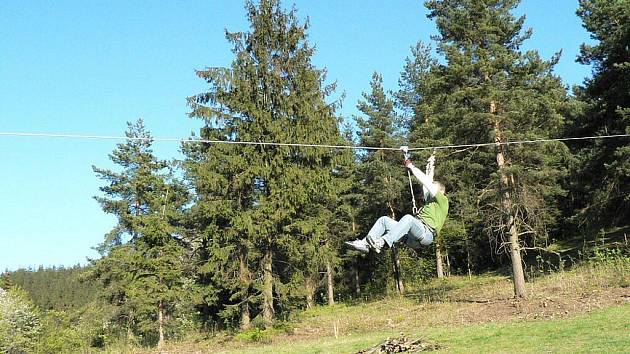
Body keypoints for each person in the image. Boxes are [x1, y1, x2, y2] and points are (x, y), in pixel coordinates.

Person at [345, 155, 449, 254]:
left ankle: (382, 242)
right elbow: (427, 182)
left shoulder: (443, 200)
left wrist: (411, 166)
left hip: (426, 234)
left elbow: (426, 182)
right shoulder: (431, 201)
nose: (430, 190)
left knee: (408, 218)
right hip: (411, 236)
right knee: (384, 221)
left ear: (440, 191)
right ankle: (364, 245)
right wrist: (430, 165)